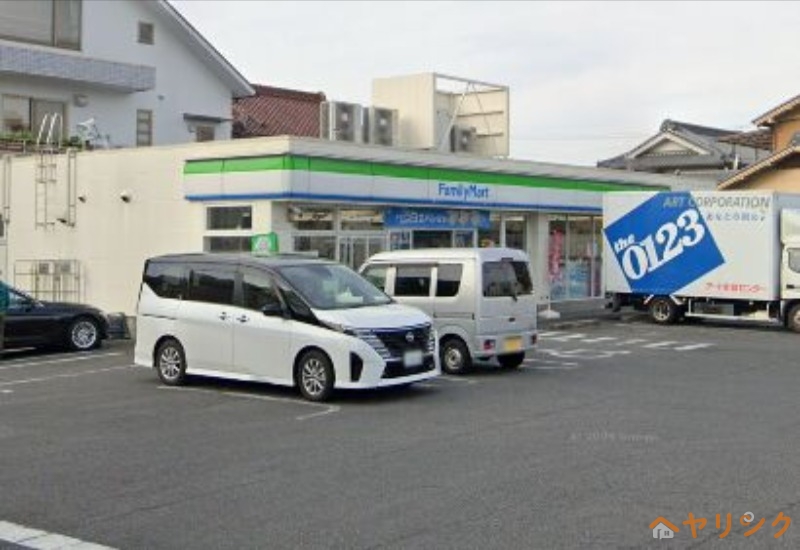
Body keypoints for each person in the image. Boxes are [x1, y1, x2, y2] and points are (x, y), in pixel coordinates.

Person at [0, 280, 8, 355]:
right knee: (1, 334)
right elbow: (7, 302)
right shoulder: (4, 287)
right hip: (1, 313)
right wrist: (3, 310)